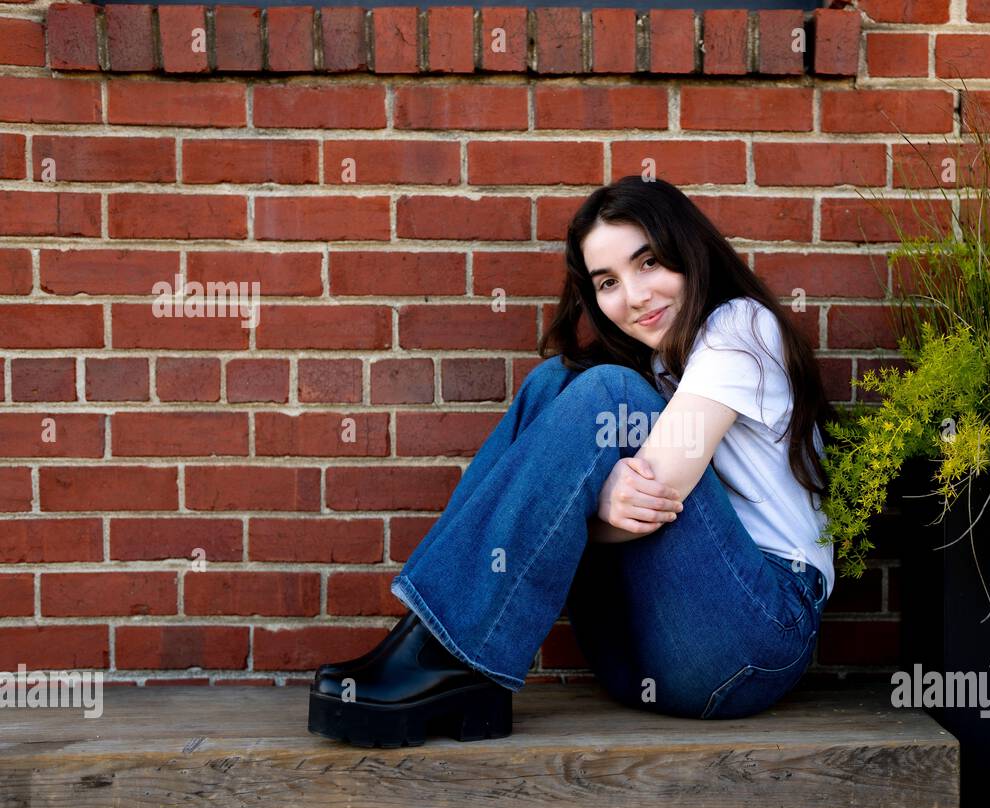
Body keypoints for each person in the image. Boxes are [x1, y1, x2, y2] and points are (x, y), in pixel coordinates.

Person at [307, 176, 837, 748]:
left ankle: (447, 648)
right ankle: (434, 640)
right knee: (556, 381)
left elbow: (656, 497)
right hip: (642, 657)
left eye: (649, 262)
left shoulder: (738, 326)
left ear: (690, 251)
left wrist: (593, 497)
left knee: (608, 391)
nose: (634, 296)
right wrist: (590, 494)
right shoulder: (659, 367)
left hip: (752, 642)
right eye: (608, 282)